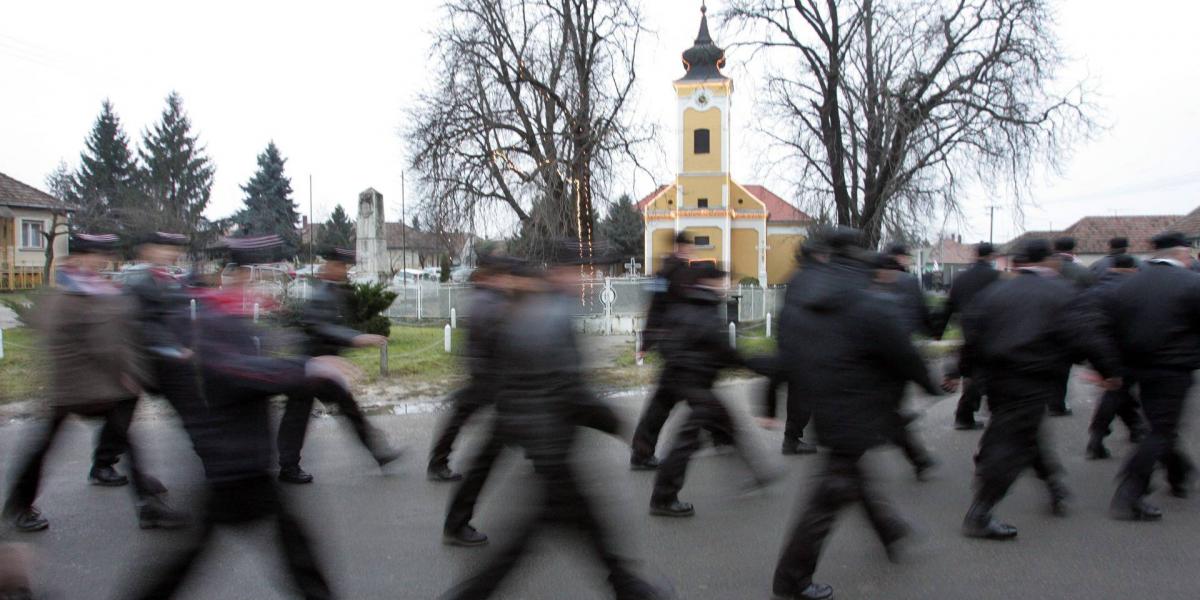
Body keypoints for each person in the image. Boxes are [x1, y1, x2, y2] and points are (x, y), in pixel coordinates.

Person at [439, 241, 670, 600]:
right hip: (550, 445)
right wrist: (618, 424)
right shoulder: (550, 314)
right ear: (566, 272)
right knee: (540, 536)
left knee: (572, 524)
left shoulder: (541, 307)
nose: (593, 278)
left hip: (545, 441)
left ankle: (627, 586)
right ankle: (628, 587)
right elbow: (566, 389)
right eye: (587, 270)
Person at [115, 235, 335, 599]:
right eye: (253, 274)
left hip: (238, 459)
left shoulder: (226, 312)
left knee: (289, 551)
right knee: (193, 561)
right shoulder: (212, 317)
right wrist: (306, 367)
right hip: (233, 461)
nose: (257, 282)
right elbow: (241, 373)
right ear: (235, 274)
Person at [771, 229, 941, 600]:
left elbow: (788, 348)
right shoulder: (866, 296)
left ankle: (889, 529)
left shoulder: (807, 292)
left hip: (826, 402)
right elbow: (902, 352)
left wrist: (772, 394)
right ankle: (791, 579)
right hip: (857, 407)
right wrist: (931, 384)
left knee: (851, 474)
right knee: (831, 491)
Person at [2, 234, 185, 533]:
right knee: (45, 447)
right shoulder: (68, 294)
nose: (100, 260)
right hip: (74, 387)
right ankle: (20, 505)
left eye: (103, 255)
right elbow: (99, 342)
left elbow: (118, 334)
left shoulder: (96, 288)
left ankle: (146, 504)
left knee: (124, 439)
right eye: (94, 255)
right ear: (77, 257)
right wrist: (125, 371)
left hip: (99, 385)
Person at [955, 239, 1120, 540]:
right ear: (1050, 261)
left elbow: (973, 336)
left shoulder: (995, 292)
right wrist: (1109, 370)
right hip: (1032, 377)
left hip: (998, 380)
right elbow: (1087, 334)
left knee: (1027, 433)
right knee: (1012, 445)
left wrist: (961, 371)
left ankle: (1055, 487)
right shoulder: (1061, 292)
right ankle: (979, 513)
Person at [648, 263, 776, 517]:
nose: (726, 286)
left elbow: (664, 343)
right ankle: (663, 498)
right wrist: (756, 364)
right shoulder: (706, 311)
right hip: (696, 384)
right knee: (687, 440)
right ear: (708, 281)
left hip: (686, 380)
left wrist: (679, 363)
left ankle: (758, 473)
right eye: (722, 281)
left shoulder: (685, 304)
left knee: (727, 425)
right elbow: (723, 351)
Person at [276, 247, 402, 484]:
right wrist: (355, 338)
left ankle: (379, 453)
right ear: (329, 267)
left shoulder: (333, 292)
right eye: (341, 266)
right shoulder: (323, 294)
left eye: (346, 267)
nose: (344, 271)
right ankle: (288, 466)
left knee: (347, 410)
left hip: (324, 369)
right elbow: (321, 327)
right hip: (312, 367)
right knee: (297, 416)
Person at [1104, 232, 1200, 521]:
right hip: (1174, 368)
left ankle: (1179, 474)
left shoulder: (1128, 286)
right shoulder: (1192, 283)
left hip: (1139, 367)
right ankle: (1130, 492)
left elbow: (1113, 327)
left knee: (1161, 424)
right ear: (1181, 253)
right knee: (1161, 429)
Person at [631, 232, 731, 470]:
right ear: (678, 247)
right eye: (686, 247)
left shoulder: (683, 272)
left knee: (675, 399)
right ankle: (721, 436)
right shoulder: (665, 274)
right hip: (677, 345)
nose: (689, 251)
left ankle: (642, 452)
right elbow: (655, 308)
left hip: (681, 345)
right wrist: (646, 343)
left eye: (690, 248)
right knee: (689, 397)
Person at [426, 254, 516, 482]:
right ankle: (439, 463)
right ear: (495, 277)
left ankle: (439, 461)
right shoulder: (490, 302)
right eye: (505, 276)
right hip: (487, 374)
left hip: (484, 372)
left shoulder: (486, 297)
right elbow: (497, 338)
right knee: (468, 416)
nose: (509, 280)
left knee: (465, 416)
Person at [870, 254, 937, 481]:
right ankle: (918, 456)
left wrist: (925, 381)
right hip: (890, 365)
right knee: (888, 415)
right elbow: (921, 312)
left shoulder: (876, 297)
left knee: (887, 416)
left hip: (886, 368)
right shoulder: (897, 288)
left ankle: (919, 458)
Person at [764, 237, 826, 456]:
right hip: (806, 346)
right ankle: (793, 439)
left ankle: (795, 438)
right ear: (816, 255)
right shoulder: (814, 278)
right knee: (805, 394)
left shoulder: (797, 277)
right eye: (822, 253)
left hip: (794, 344)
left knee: (802, 393)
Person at [1082, 254, 1147, 460]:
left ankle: (1135, 428)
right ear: (1134, 269)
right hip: (1130, 349)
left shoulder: (1096, 290)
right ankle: (1098, 436)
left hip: (1101, 349)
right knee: (1117, 392)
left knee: (1120, 392)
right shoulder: (1138, 290)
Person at [935, 242, 1001, 430]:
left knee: (973, 372)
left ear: (975, 254)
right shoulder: (997, 277)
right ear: (992, 256)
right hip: (993, 329)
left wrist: (938, 330)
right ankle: (971, 413)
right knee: (990, 371)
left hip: (968, 329)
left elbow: (949, 305)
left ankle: (967, 413)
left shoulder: (961, 278)